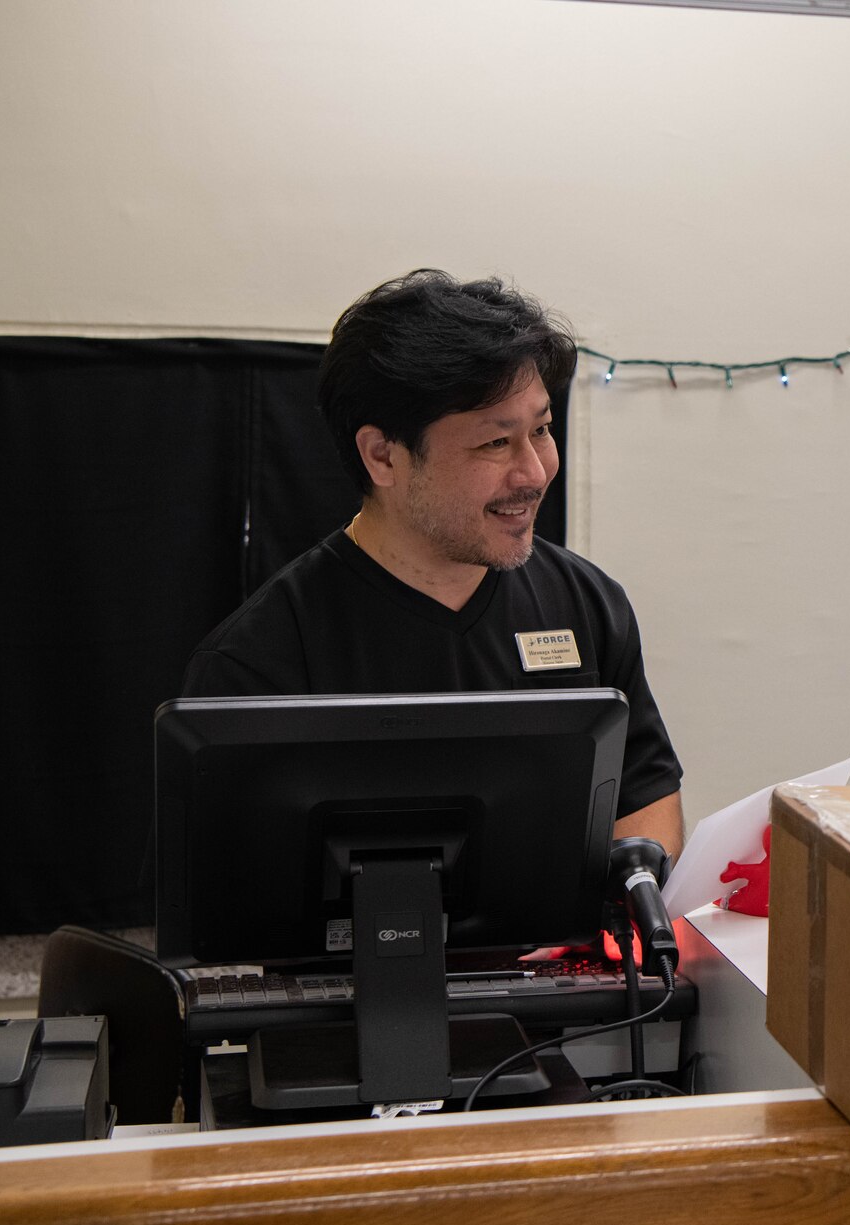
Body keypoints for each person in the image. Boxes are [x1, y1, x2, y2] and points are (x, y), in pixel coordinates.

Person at [183, 270, 684, 857]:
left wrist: (629, 888)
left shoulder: (586, 604)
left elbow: (643, 796)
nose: (534, 472)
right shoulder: (261, 662)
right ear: (383, 456)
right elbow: (227, 883)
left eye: (542, 430)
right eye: (495, 443)